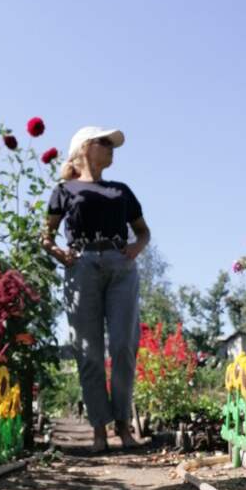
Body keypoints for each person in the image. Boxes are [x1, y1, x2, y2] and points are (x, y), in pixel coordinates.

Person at [41, 126, 151, 452]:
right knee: (88, 353)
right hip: (82, 267)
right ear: (85, 147)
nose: (111, 148)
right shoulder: (65, 189)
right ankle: (99, 432)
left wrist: (135, 249)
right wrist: (56, 251)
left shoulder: (122, 190)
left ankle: (123, 426)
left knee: (122, 347)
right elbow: (47, 235)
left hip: (121, 267)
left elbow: (143, 231)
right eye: (105, 142)